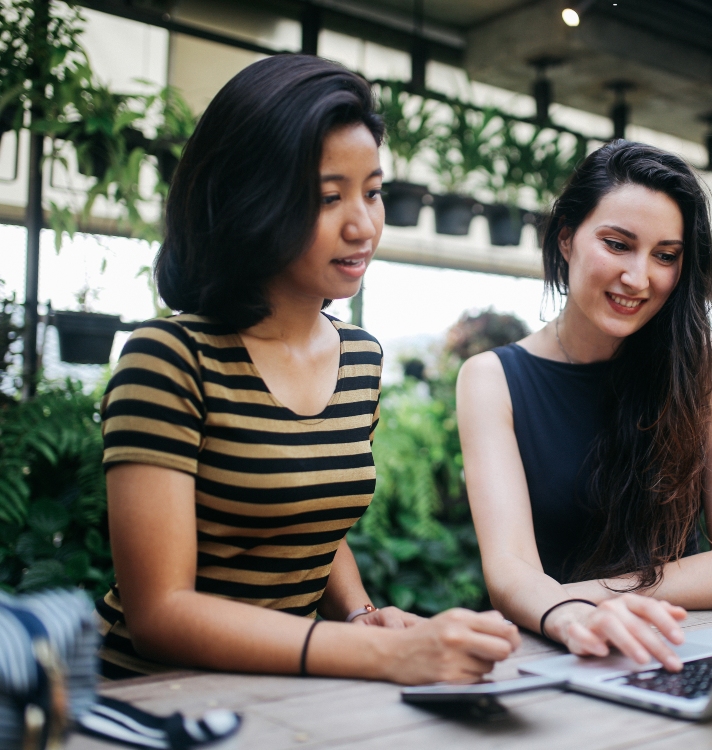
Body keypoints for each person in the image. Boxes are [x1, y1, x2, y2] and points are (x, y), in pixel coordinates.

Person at [96, 55, 519, 682]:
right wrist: (386, 654)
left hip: (285, 695)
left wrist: (359, 615)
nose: (363, 224)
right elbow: (160, 614)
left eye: (372, 192)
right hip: (156, 704)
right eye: (328, 197)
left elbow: (307, 522)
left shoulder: (361, 360)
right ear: (252, 202)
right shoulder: (168, 360)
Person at [456, 141, 712, 673]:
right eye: (617, 244)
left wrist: (583, 597)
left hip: (676, 649)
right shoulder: (491, 379)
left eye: (665, 256)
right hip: (557, 654)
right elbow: (509, 571)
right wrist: (569, 613)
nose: (639, 277)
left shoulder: (706, 363)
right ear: (566, 240)